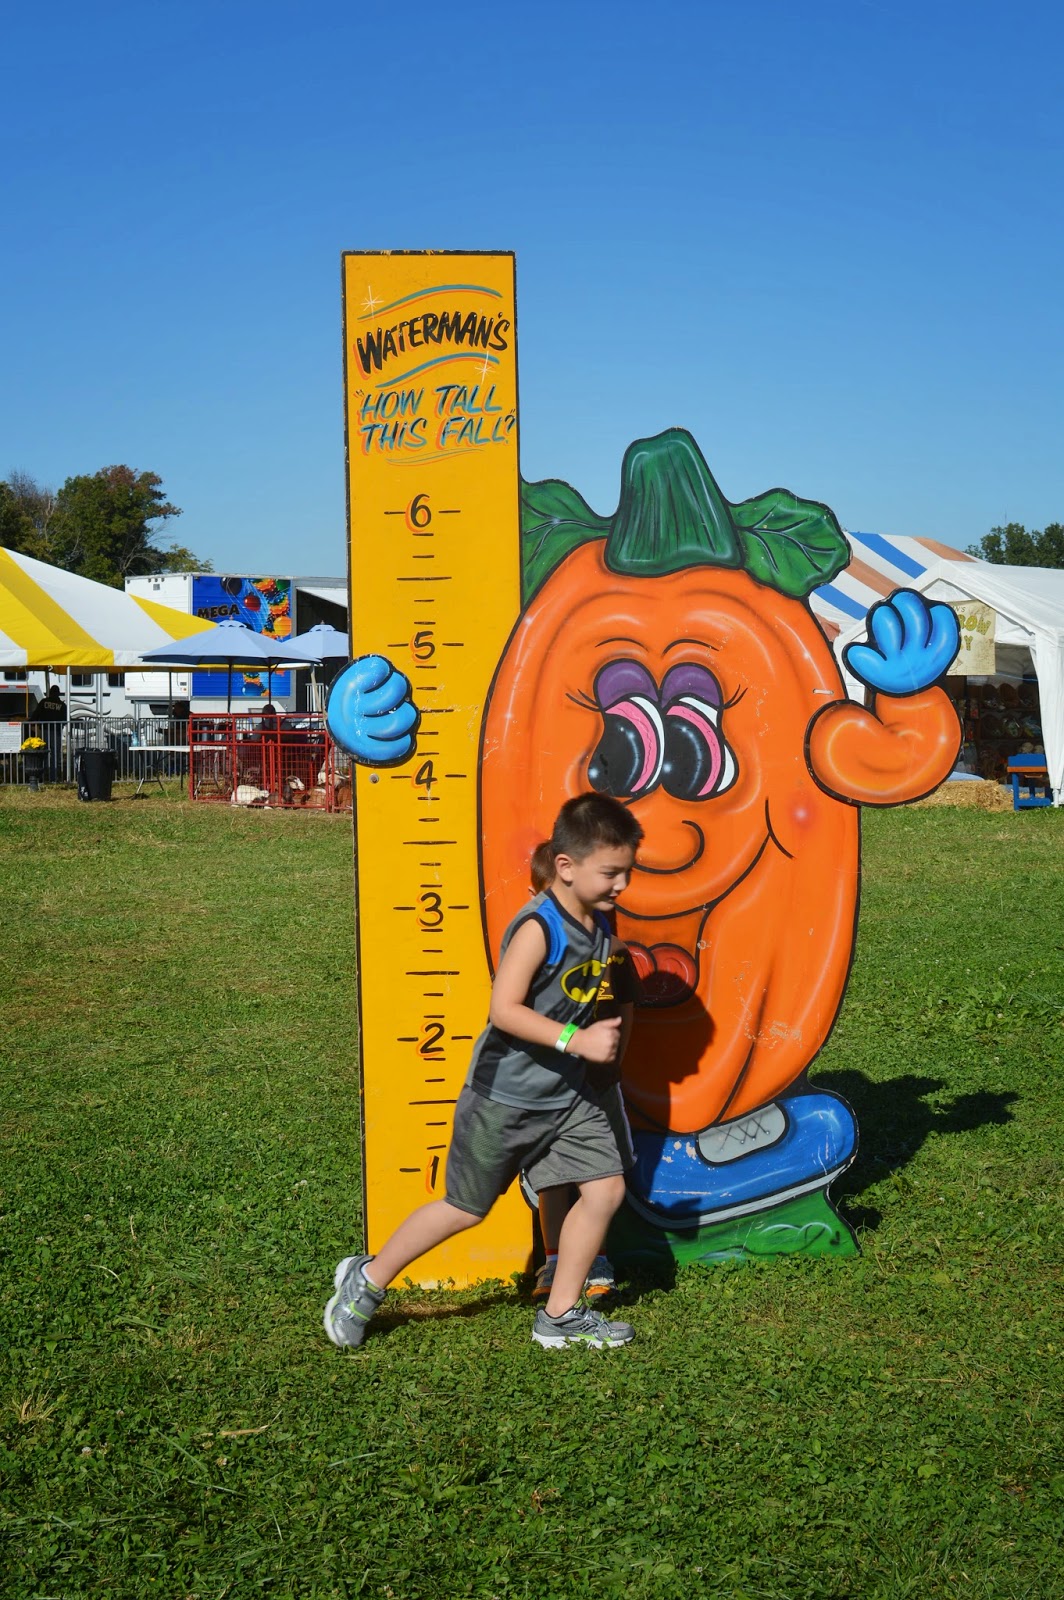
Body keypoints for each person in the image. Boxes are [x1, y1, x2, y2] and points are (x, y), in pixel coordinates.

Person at [324, 792, 645, 1351]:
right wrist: (578, 1039)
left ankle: (561, 1314)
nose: (621, 886)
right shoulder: (537, 928)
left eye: (626, 873)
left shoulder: (598, 920)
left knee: (606, 1187)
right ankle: (367, 1280)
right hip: (506, 1097)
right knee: (462, 1210)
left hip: (569, 1096)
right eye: (611, 873)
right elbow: (505, 1010)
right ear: (565, 868)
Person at [526, 839, 641, 1305]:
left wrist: (616, 1061)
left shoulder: (614, 952)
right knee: (551, 1177)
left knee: (600, 1180)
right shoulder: (530, 947)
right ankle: (554, 1262)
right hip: (545, 1087)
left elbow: (627, 1011)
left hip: (597, 1087)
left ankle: (595, 1261)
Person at [35, 684, 67, 781]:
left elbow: (36, 715)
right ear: (58, 693)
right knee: (55, 755)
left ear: (50, 692)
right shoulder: (62, 705)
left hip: (45, 731)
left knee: (43, 753)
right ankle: (53, 777)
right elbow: (65, 720)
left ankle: (42, 776)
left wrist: (30, 722)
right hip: (56, 732)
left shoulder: (44, 702)